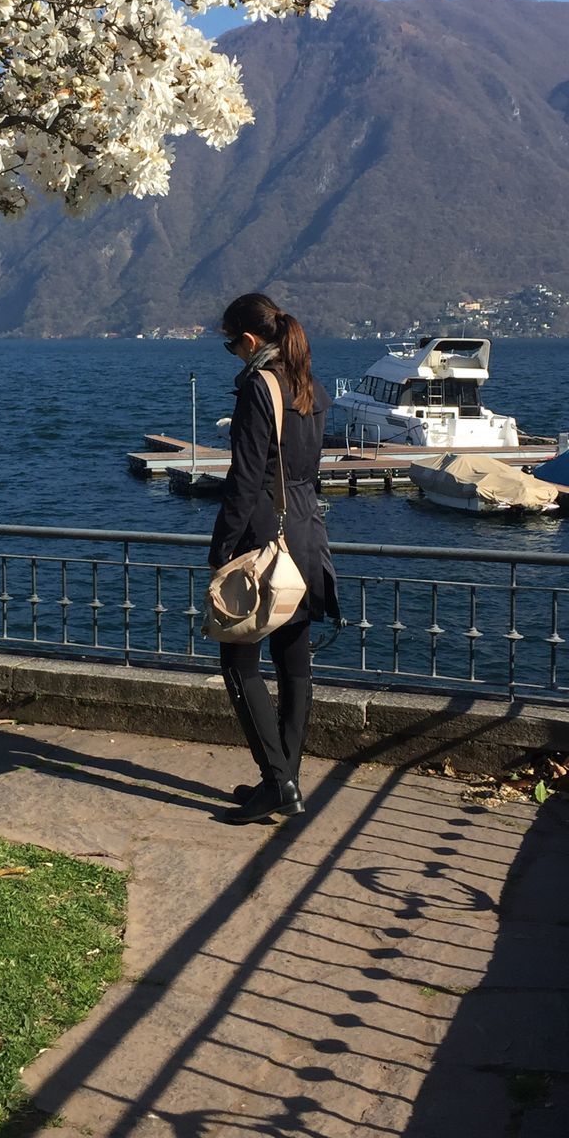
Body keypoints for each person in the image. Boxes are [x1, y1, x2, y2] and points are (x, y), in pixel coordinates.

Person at [209, 293, 339, 824]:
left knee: (238, 660)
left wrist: (221, 549)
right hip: (308, 534)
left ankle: (277, 781)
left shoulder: (259, 389)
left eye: (230, 343)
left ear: (250, 341)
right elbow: (302, 469)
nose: (230, 353)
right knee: (293, 660)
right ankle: (288, 779)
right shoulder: (312, 386)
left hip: (263, 538)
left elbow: (245, 481)